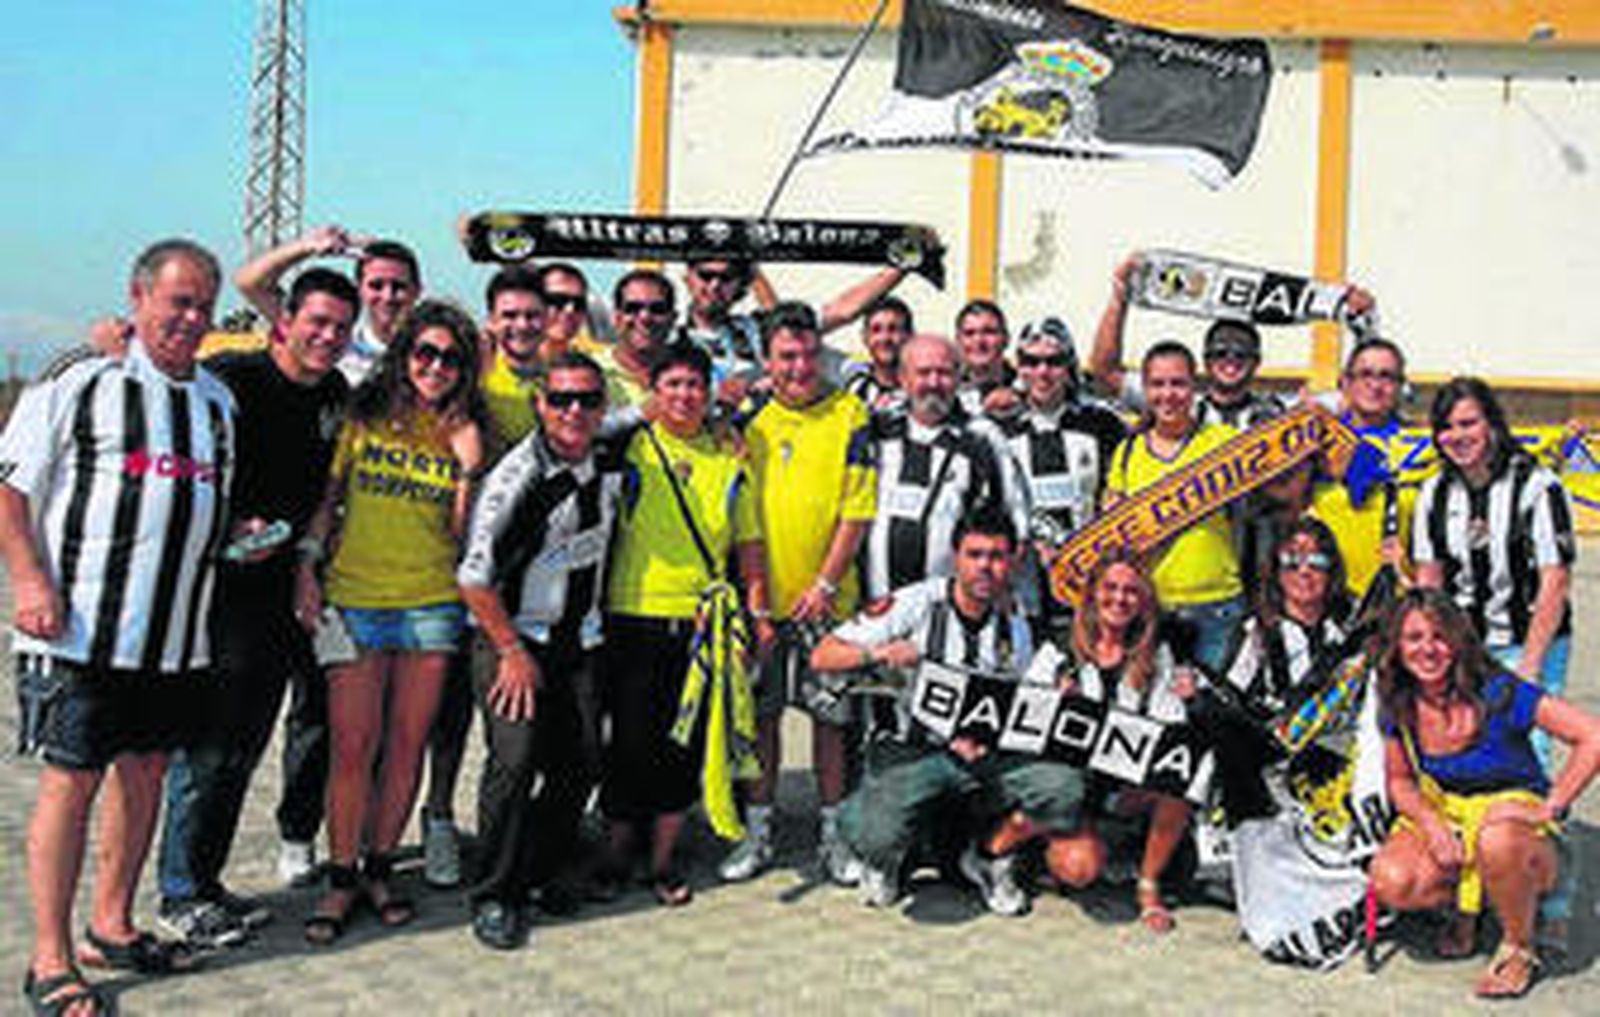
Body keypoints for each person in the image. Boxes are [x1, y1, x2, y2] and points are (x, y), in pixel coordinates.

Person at [3, 239, 234, 1014]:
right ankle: (48, 957)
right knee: (72, 784)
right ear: (138, 297)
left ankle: (112, 921)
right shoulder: (82, 376)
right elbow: (9, 488)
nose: (192, 319)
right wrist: (30, 579)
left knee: (145, 776)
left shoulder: (215, 401)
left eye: (204, 305)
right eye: (178, 301)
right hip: (79, 633)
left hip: (173, 638)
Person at [154, 267, 357, 950]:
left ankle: (205, 882)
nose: (328, 337)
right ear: (285, 319)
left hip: (282, 591)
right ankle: (179, 890)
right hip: (219, 594)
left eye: (340, 327)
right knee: (208, 748)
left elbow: (325, 493)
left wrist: (302, 560)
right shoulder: (232, 379)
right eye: (317, 322)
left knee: (244, 744)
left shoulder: (334, 393)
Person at [293, 300, 486, 944]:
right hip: (356, 600)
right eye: (424, 353)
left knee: (407, 747)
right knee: (354, 747)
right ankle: (341, 877)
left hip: (432, 604)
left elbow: (462, 540)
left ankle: (380, 867)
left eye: (450, 359)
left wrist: (467, 468)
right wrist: (307, 568)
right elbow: (327, 503)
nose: (435, 367)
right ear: (404, 357)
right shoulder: (362, 417)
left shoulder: (464, 435)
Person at [813, 507, 1068, 915]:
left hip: (981, 754)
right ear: (955, 556)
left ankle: (987, 856)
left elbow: (1022, 701)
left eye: (998, 557)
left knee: (1061, 787)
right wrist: (877, 652)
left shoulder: (1015, 623)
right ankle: (878, 852)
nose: (986, 567)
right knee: (875, 833)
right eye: (976, 555)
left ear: (1013, 561)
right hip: (912, 750)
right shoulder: (915, 603)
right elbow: (823, 656)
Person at [456, 352, 625, 949]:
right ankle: (495, 894)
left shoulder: (607, 447)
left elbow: (658, 409)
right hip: (513, 639)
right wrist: (509, 651)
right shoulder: (516, 479)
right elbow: (473, 578)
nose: (573, 411)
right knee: (515, 762)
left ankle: (541, 869)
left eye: (586, 399)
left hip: (580, 640)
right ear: (539, 404)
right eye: (560, 400)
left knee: (580, 760)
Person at [599, 341, 773, 906]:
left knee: (684, 744)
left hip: (701, 622)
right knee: (628, 742)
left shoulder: (729, 458)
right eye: (671, 384)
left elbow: (748, 544)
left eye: (694, 384)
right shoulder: (630, 448)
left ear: (708, 391)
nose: (683, 395)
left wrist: (757, 612)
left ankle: (663, 859)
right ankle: (616, 854)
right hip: (632, 613)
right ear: (653, 391)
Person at [1368, 590, 1600, 999]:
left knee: (1497, 839)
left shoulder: (1497, 690)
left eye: (1439, 637)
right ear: (1397, 646)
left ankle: (1519, 944)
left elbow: (1591, 736)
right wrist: (1431, 825)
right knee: (1393, 880)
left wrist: (1552, 807)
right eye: (1414, 638)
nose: (1428, 650)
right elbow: (1401, 781)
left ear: (1458, 640)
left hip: (1513, 819)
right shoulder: (1398, 698)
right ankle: (1468, 908)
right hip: (1448, 810)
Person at [718, 303, 877, 885]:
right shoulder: (750, 419)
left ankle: (833, 837)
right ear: (768, 358)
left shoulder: (850, 412)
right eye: (787, 355)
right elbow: (744, 518)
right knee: (761, 722)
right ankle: (757, 835)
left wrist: (825, 583)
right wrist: (757, 601)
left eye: (809, 353)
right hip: (764, 603)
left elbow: (856, 510)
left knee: (830, 723)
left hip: (830, 604)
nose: (800, 366)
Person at [1042, 553, 1198, 933]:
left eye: (1131, 591)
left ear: (1143, 601)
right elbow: (1024, 726)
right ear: (1093, 593)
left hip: (1132, 784)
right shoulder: (1059, 649)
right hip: (1075, 790)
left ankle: (1148, 885)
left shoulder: (1158, 654)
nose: (1119, 599)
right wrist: (1055, 706)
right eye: (1110, 588)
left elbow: (1171, 726)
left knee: (1182, 778)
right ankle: (1045, 851)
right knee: (1078, 869)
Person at [1103, 342, 1245, 674]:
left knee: (1211, 717)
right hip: (1150, 606)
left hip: (1217, 603)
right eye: (1158, 384)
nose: (1168, 394)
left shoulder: (1223, 441)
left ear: (1195, 388)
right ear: (1146, 389)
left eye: (1178, 383)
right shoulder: (1127, 453)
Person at [862, 334, 1028, 604]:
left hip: (951, 611)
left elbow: (1016, 524)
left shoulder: (983, 438)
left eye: (944, 373)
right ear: (903, 379)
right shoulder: (877, 431)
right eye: (923, 373)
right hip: (878, 606)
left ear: (959, 378)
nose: (934, 383)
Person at [992, 317, 1126, 633]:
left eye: (1053, 362)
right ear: (1018, 367)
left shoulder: (1103, 424)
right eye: (1031, 361)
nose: (1042, 372)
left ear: (1069, 365)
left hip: (1090, 584)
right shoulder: (996, 428)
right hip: (1022, 586)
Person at [234, 225, 421, 387]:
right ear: (359, 288)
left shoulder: (438, 353)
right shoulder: (331, 338)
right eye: (376, 286)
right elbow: (250, 283)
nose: (387, 296)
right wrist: (306, 247)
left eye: (399, 287)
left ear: (417, 290)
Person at [1308, 337, 1415, 600]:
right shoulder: (1313, 443)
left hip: (1394, 602)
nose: (1375, 385)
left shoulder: (1420, 449)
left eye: (1387, 376)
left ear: (1400, 387)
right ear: (1345, 383)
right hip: (1322, 602)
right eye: (1365, 374)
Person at [593, 268, 676, 413]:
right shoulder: (592, 371)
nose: (645, 317)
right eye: (632, 308)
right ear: (616, 318)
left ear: (673, 318)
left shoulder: (691, 372)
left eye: (657, 309)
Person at [842, 296, 913, 412]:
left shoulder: (922, 391)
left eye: (893, 329)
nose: (884, 338)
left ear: (909, 335)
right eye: (876, 330)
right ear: (864, 337)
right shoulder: (852, 381)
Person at [953, 299, 1015, 415]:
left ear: (1006, 339)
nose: (979, 341)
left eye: (989, 332)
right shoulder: (946, 392)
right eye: (969, 333)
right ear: (958, 341)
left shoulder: (1025, 391)